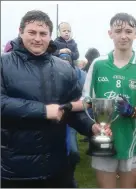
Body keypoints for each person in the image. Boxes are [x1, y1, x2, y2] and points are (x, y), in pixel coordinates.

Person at [1, 10, 111, 188]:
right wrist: (43, 111)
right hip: (15, 171)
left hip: (57, 167)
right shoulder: (3, 64)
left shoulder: (64, 69)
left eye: (43, 34)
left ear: (50, 36)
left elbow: (73, 109)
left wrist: (92, 127)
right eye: (32, 32)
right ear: (20, 32)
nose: (38, 39)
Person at [76, 12, 136, 188]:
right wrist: (94, 125)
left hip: (132, 141)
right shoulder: (98, 64)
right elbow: (86, 100)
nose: (123, 35)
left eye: (128, 31)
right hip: (103, 138)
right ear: (110, 33)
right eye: (118, 30)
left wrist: (133, 111)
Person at [58, 53, 87, 188]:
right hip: (53, 120)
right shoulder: (51, 74)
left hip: (71, 117)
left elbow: (83, 98)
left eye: (67, 62)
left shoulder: (78, 75)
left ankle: (70, 178)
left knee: (73, 152)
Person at [80, 47, 100, 142]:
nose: (88, 60)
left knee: (94, 116)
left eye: (88, 58)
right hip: (89, 95)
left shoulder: (97, 65)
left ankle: (92, 136)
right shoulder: (91, 64)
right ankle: (89, 134)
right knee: (90, 116)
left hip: (95, 95)